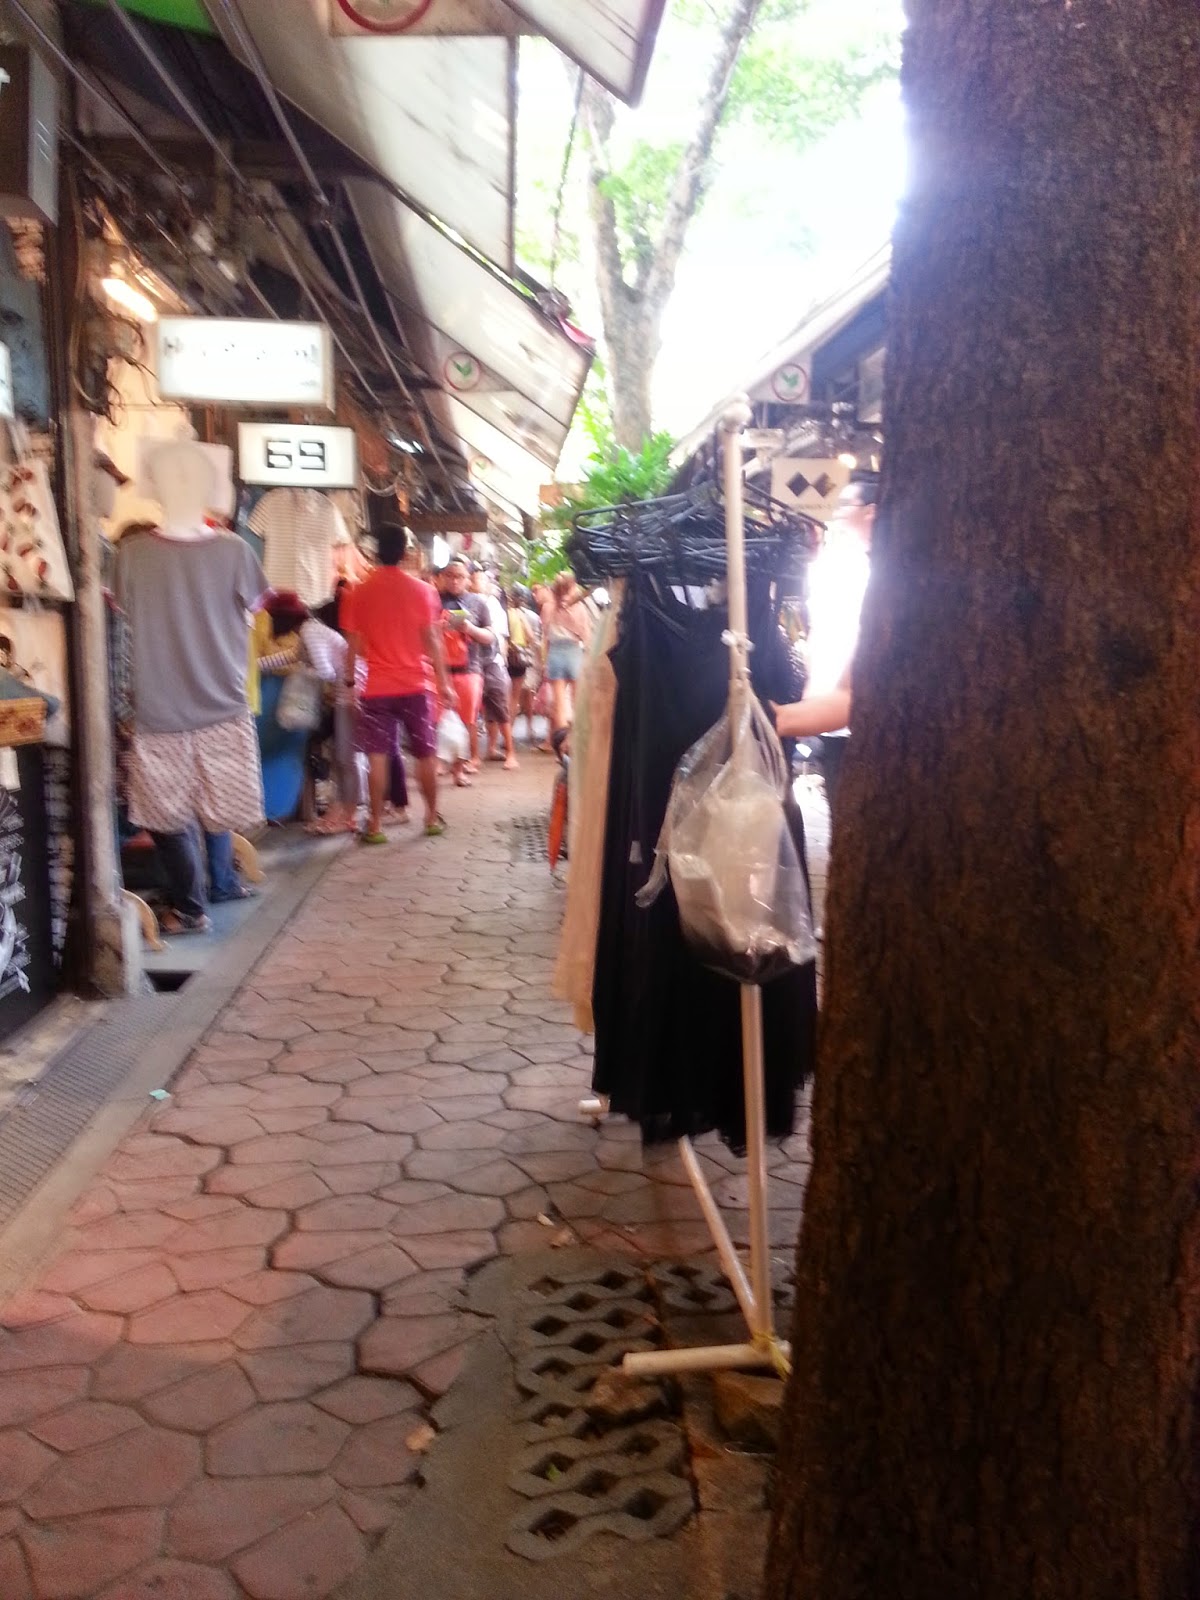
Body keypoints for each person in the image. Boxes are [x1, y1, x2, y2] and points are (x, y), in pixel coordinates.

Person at [772, 471, 877, 814]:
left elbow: (852, 690)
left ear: (871, 512)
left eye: (847, 504)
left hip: (850, 717)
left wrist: (781, 719)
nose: (838, 513)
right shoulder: (842, 566)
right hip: (828, 710)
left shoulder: (881, 576)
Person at [343, 525, 453, 841]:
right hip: (417, 686)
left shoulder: (358, 592)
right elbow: (432, 640)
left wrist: (350, 682)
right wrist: (444, 683)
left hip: (376, 688)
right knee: (425, 753)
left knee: (377, 756)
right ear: (405, 553)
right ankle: (431, 818)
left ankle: (376, 825)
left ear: (375, 553)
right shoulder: (424, 591)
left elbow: (353, 643)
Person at [438, 558, 494, 779]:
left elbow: (489, 637)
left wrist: (469, 628)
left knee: (467, 720)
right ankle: (443, 761)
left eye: (459, 577)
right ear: (442, 578)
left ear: (468, 579)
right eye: (450, 576)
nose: (454, 581)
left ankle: (461, 767)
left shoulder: (478, 603)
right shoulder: (433, 600)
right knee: (437, 718)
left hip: (469, 669)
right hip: (439, 669)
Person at [474, 570, 518, 770]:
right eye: (474, 579)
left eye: (480, 579)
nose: (476, 582)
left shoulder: (492, 605)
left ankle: (510, 752)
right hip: (474, 662)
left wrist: (502, 661)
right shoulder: (468, 602)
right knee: (485, 710)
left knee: (499, 707)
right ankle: (490, 748)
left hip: (492, 661)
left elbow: (502, 637)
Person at [540, 570, 593, 736]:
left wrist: (544, 661)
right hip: (574, 653)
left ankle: (562, 741)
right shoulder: (579, 608)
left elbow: (545, 637)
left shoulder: (548, 608)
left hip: (555, 653)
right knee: (578, 701)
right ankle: (577, 738)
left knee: (559, 703)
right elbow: (586, 637)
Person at [506, 583, 542, 746]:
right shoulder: (527, 615)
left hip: (505, 657)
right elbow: (532, 638)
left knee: (508, 697)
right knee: (518, 697)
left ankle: (505, 733)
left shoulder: (504, 613)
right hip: (521, 658)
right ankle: (520, 731)